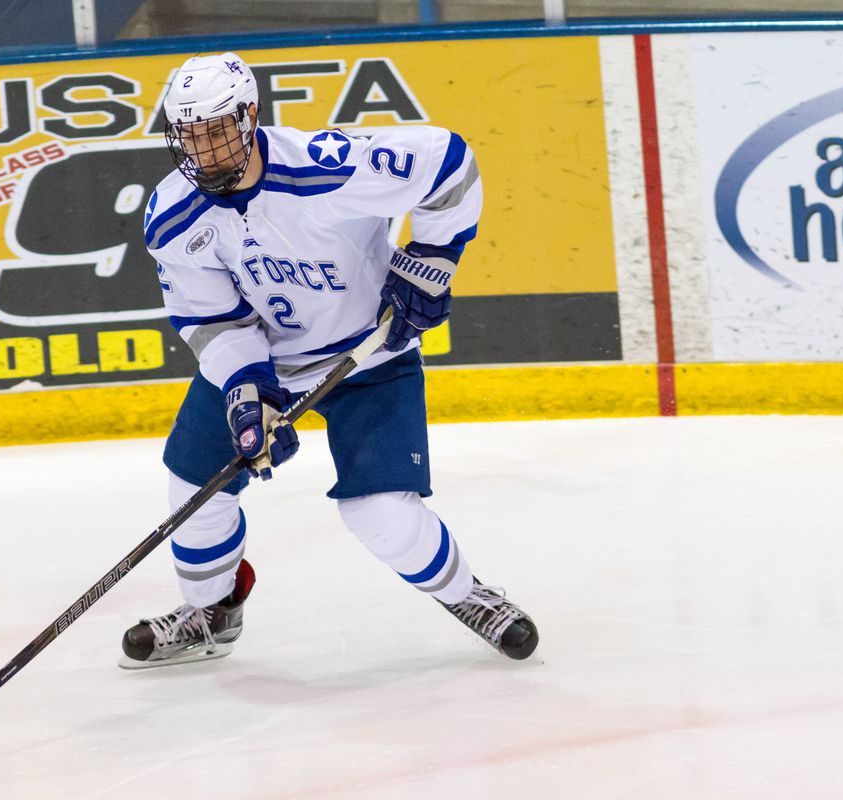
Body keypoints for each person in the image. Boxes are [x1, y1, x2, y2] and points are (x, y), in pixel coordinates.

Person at [120, 52, 538, 669]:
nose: (203, 151)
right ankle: (210, 613)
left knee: (379, 514)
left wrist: (432, 256)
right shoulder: (174, 214)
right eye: (189, 134)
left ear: (250, 116)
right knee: (194, 493)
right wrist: (246, 392)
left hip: (368, 358)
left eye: (216, 130)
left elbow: (448, 162)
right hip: (265, 363)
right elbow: (211, 320)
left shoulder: (326, 168)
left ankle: (468, 595)